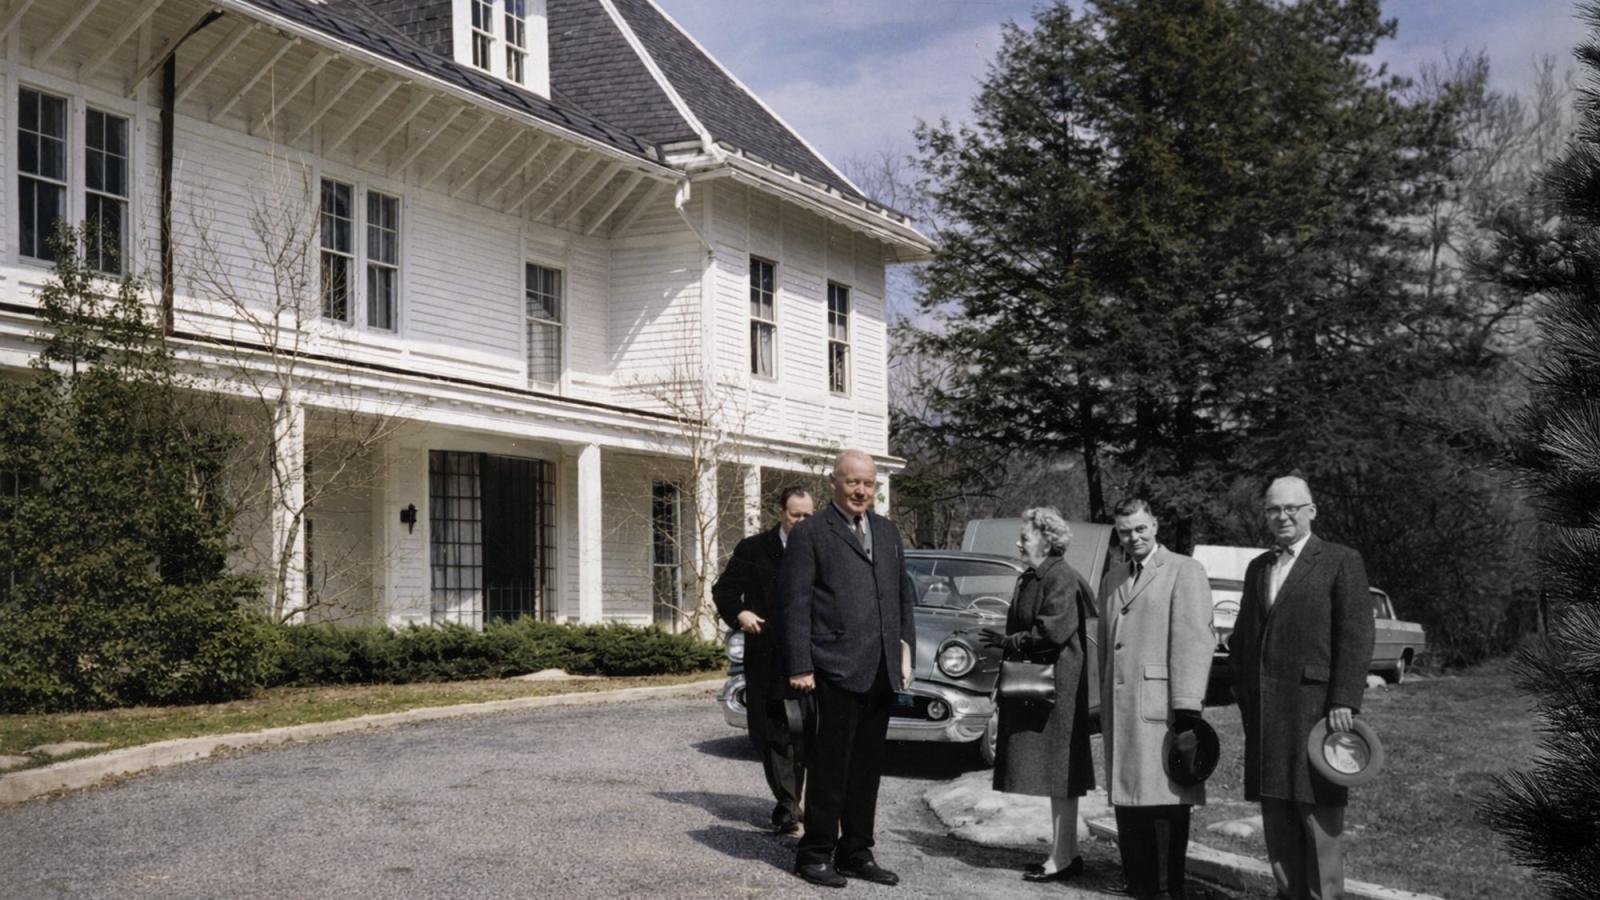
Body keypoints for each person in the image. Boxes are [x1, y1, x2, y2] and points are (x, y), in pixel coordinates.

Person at [775, 449, 916, 889]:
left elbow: (900, 599)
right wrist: (800, 664)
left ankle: (856, 851)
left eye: (869, 484)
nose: (861, 491)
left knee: (866, 768)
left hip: (879, 671)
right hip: (832, 669)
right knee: (829, 767)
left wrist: (904, 651)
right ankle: (814, 852)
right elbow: (793, 604)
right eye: (852, 482)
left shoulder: (889, 532)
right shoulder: (812, 533)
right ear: (833, 482)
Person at [1230, 476, 1374, 900]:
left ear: (1312, 510)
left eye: (1291, 507)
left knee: (1318, 819)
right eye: (1274, 509)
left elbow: (1356, 633)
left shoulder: (1340, 560)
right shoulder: (1259, 567)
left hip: (1318, 711)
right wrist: (1242, 692)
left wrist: (1344, 698)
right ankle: (1287, 893)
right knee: (1276, 814)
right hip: (1267, 714)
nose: (1282, 516)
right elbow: (1244, 636)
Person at [1097, 498, 1214, 900]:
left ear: (1156, 526)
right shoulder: (1113, 579)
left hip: (1163, 711)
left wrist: (1187, 707)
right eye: (1126, 531)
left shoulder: (1184, 570)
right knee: (1128, 804)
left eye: (1141, 529)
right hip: (1122, 710)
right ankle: (1140, 887)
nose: (1134, 538)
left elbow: (1195, 640)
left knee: (1163, 804)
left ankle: (1166, 891)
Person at [980, 507, 1098, 883]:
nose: (1018, 543)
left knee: (1062, 773)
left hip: (1058, 690)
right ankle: (1065, 853)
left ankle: (1064, 856)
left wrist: (1008, 641)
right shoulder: (1035, 576)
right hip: (1046, 687)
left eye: (1025, 537)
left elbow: (1051, 634)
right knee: (1057, 774)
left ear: (1047, 540)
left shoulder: (1060, 577)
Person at [712, 485, 815, 834]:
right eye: (795, 515)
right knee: (770, 732)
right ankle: (787, 803)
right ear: (781, 513)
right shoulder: (753, 548)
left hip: (811, 653)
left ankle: (796, 800)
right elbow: (723, 590)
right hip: (766, 653)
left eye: (807, 516)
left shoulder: (821, 548)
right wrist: (740, 612)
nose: (801, 522)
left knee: (803, 733)